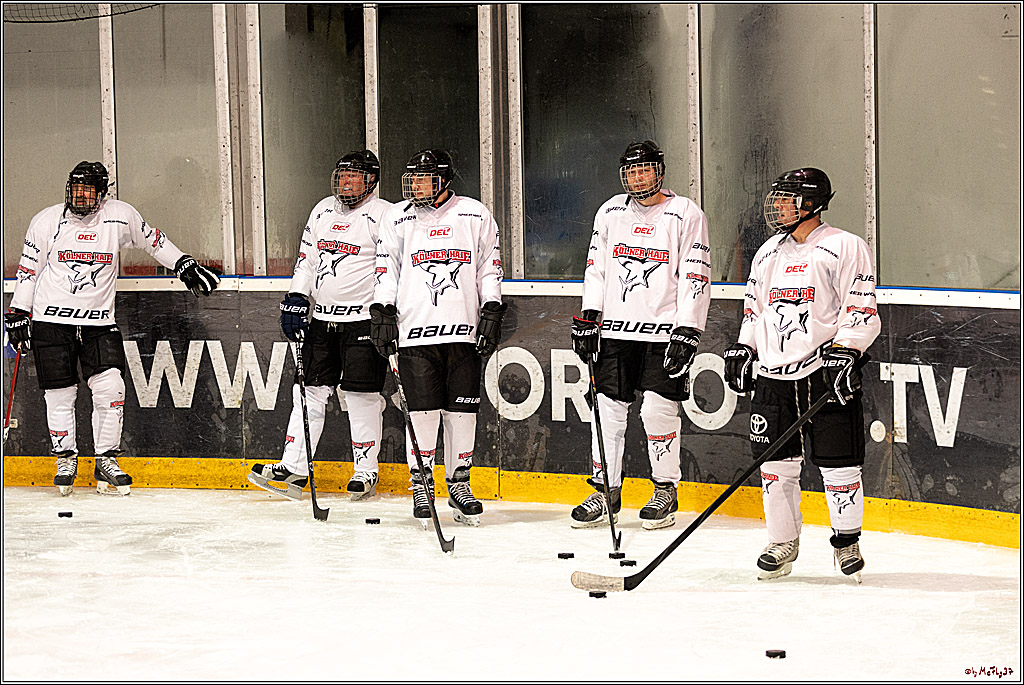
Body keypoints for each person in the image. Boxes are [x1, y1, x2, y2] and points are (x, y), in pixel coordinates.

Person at [4, 161, 220, 496]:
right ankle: (65, 459)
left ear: (103, 194)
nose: (79, 197)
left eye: (87, 191)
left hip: (100, 323)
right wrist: (19, 310)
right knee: (60, 394)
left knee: (111, 388)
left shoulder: (120, 216)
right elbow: (29, 271)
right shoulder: (46, 221)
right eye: (75, 189)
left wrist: (182, 263)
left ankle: (106, 459)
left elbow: (154, 241)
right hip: (52, 322)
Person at [723, 167, 880, 583]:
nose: (777, 206)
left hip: (824, 373)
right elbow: (754, 309)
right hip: (773, 377)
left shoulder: (844, 246)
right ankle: (782, 542)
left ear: (810, 204)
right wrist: (746, 346)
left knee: (839, 464)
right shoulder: (767, 253)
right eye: (777, 198)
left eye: (786, 199)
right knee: (775, 466)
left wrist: (847, 349)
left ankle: (846, 541)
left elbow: (860, 306)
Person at [569, 141, 712, 530]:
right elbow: (596, 268)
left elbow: (696, 273)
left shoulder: (684, 213)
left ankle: (665, 489)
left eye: (645, 170)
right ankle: (606, 491)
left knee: (657, 410)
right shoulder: (611, 211)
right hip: (615, 331)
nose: (638, 178)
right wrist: (589, 315)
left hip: (664, 332)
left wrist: (688, 328)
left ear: (659, 172)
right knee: (607, 409)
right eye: (631, 172)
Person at [370, 148, 506, 526]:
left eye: (424, 179)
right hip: (414, 333)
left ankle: (460, 485)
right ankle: (422, 484)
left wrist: (492, 307)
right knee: (422, 412)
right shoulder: (397, 217)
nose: (416, 186)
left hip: (464, 332)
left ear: (444, 180)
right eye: (413, 179)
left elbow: (488, 267)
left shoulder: (474, 214)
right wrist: (382, 310)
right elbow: (387, 268)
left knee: (462, 412)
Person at [248, 150, 393, 502]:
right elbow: (307, 261)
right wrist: (297, 297)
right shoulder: (322, 210)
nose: (346, 182)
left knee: (361, 396)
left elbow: (391, 268)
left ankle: (365, 471)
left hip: (362, 321)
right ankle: (294, 467)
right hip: (322, 320)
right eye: (342, 175)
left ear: (371, 180)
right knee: (309, 390)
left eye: (354, 176)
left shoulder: (386, 215)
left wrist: (386, 310)